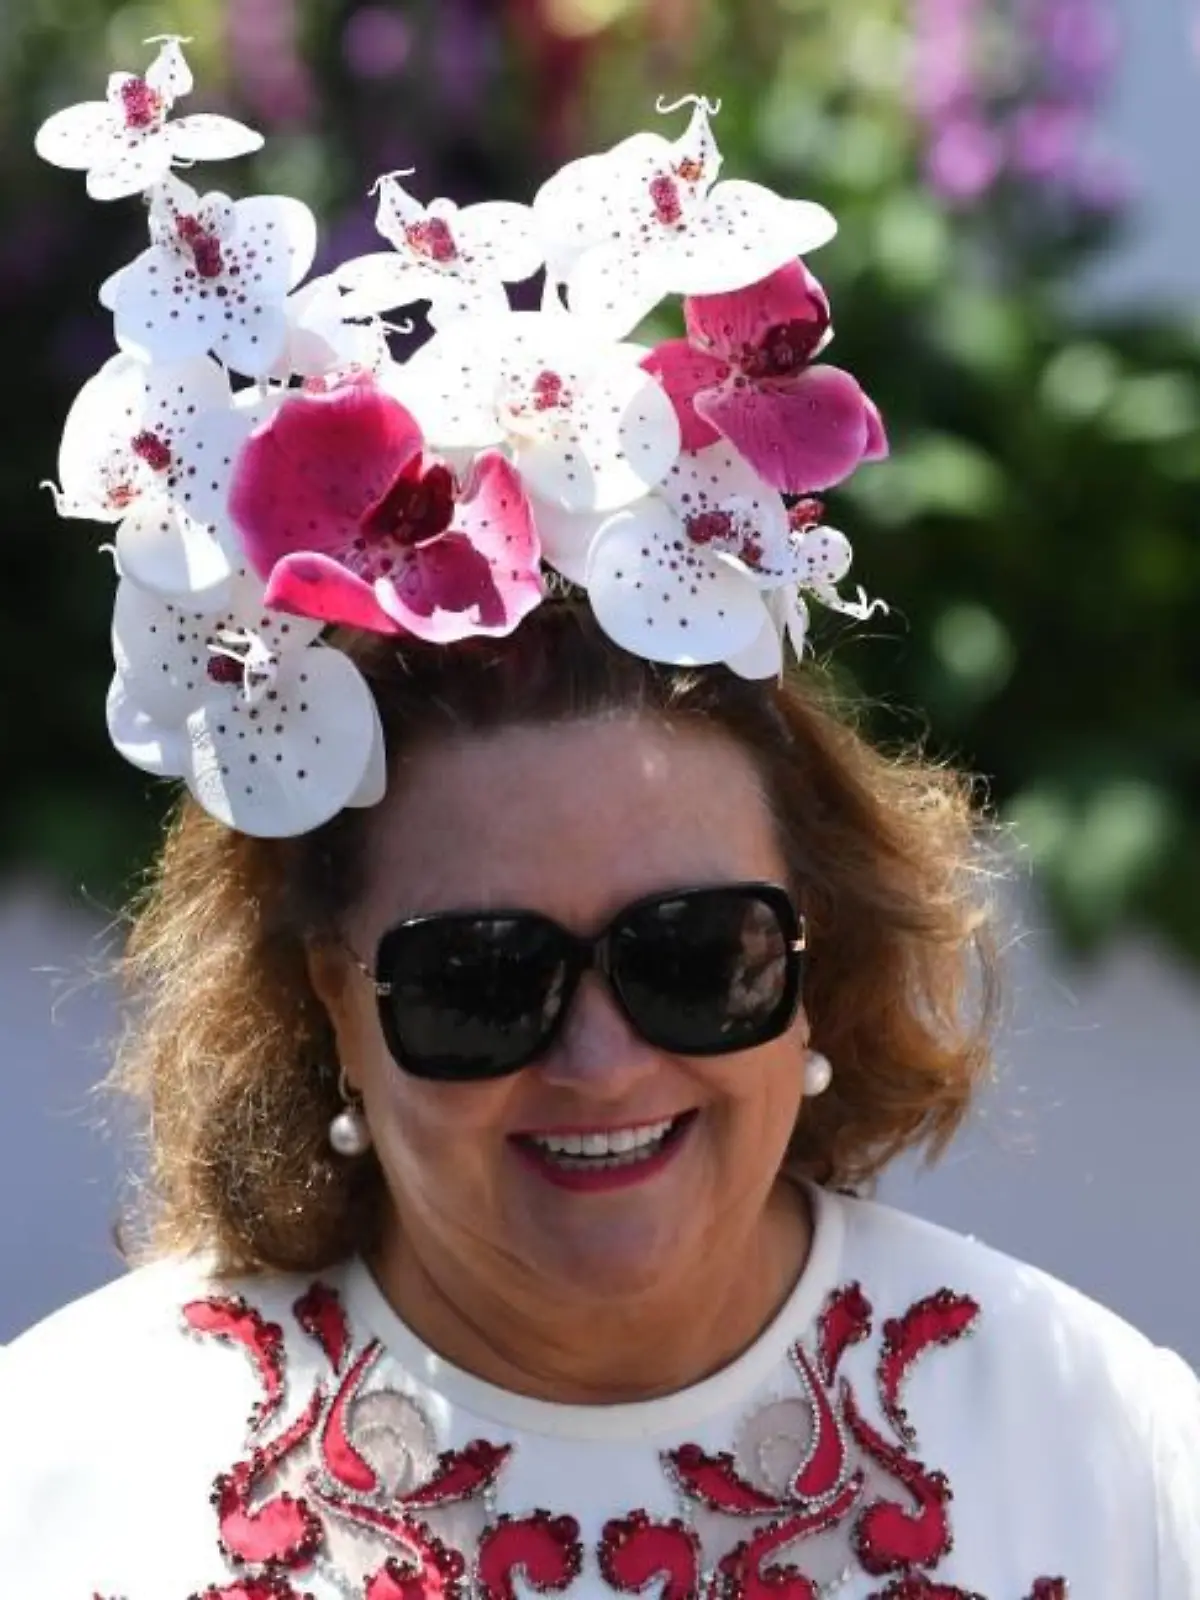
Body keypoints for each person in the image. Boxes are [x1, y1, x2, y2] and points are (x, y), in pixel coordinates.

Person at [5, 37, 1197, 1600]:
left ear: (814, 955)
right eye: (478, 979)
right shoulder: (60, 1478)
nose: (601, 1058)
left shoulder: (1119, 1462)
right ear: (328, 1006)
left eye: (695, 951)